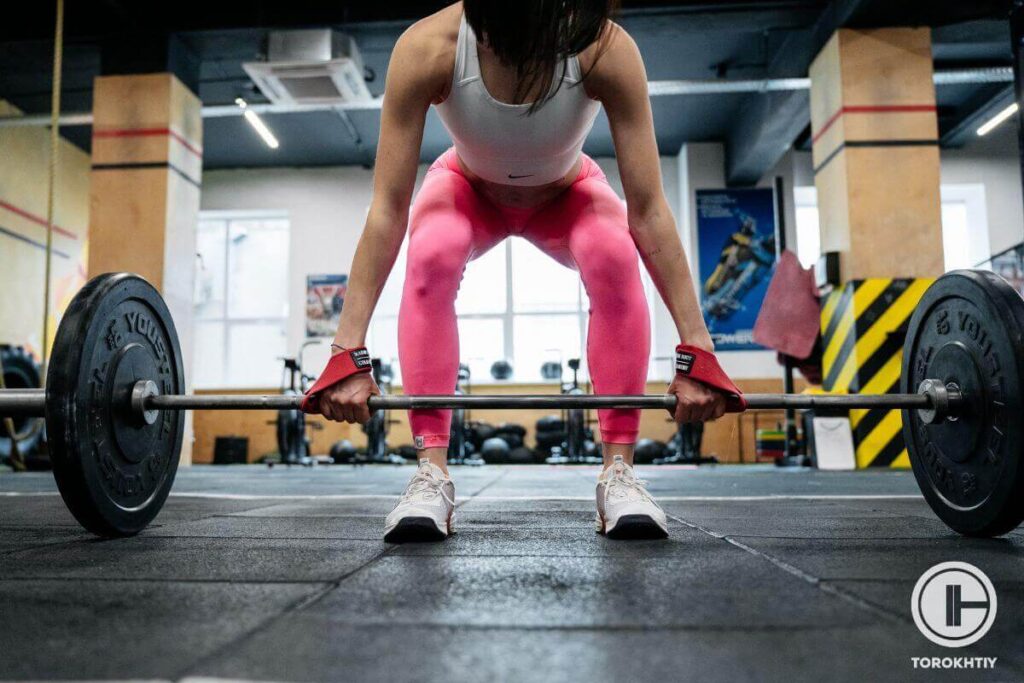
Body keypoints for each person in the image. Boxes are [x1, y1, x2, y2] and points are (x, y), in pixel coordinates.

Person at [301, 0, 744, 543]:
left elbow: (648, 211)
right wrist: (347, 348)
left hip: (567, 193)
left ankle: (619, 471)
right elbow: (388, 211)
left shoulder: (605, 47)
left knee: (612, 251)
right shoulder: (427, 47)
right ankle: (431, 472)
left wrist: (697, 345)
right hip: (467, 190)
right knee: (432, 249)